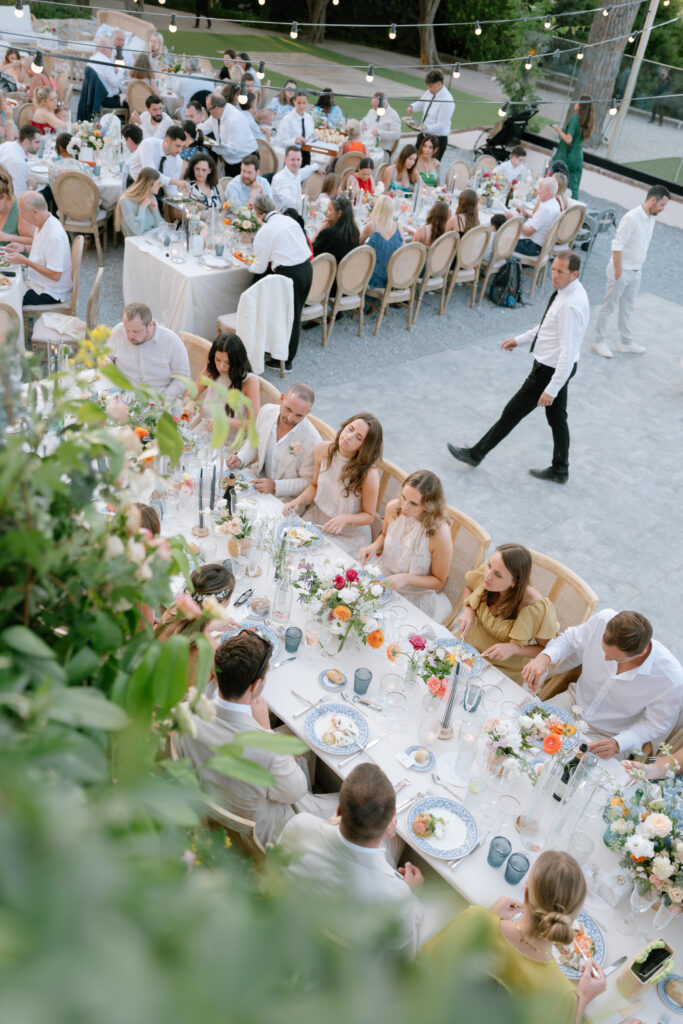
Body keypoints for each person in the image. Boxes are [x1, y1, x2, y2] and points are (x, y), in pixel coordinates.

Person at [180, 629, 337, 845]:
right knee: (347, 801)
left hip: (214, 802)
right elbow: (296, 791)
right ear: (255, 686)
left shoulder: (187, 712)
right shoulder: (267, 750)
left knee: (298, 749)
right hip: (267, 830)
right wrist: (267, 732)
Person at [447, 251, 588, 484]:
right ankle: (560, 469)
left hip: (549, 371)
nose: (554, 275)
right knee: (557, 420)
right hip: (555, 369)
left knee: (511, 413)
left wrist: (552, 388)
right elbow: (547, 326)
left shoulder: (571, 305)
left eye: (560, 272)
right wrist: (519, 339)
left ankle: (475, 454)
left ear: (574, 274)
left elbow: (568, 351)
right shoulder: (567, 293)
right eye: (553, 269)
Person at [427, 850, 606, 1024]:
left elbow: (428, 970)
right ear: (572, 920)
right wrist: (583, 998)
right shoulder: (562, 995)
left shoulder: (474, 920)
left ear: (526, 893)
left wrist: (488, 917)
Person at [279, 763, 424, 957]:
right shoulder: (396, 897)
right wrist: (411, 893)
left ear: (338, 811)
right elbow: (406, 958)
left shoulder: (299, 826)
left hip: (294, 931)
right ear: (391, 826)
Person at [522, 609, 683, 760]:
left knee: (570, 779)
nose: (605, 659)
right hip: (572, 702)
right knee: (522, 736)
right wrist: (544, 657)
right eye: (604, 650)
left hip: (608, 737)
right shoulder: (603, 620)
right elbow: (569, 639)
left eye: (615, 658)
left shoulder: (671, 679)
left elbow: (656, 725)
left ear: (641, 653)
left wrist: (619, 743)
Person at [283, 413, 383, 559]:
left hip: (349, 534)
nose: (349, 436)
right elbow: (315, 486)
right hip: (318, 520)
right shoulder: (323, 450)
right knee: (289, 551)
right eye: (350, 429)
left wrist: (345, 519)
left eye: (359, 437)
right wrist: (297, 502)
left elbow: (369, 516)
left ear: (364, 447)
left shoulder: (368, 474)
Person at [456, 544, 559, 685]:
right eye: (489, 565)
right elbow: (468, 587)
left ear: (515, 582)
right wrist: (469, 610)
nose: (488, 575)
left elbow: (546, 649)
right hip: (464, 647)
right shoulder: (487, 575)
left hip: (500, 669)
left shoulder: (536, 608)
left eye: (498, 575)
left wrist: (515, 648)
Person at [360, 470, 453, 622]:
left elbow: (439, 581)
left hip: (413, 598)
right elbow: (384, 535)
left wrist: (407, 578)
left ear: (429, 506)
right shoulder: (393, 508)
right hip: (381, 580)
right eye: (403, 497)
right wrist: (374, 546)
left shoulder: (439, 534)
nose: (404, 507)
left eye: (413, 504)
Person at [592, 184, 671, 359]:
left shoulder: (651, 218)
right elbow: (617, 245)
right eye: (662, 205)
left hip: (636, 272)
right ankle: (599, 340)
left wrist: (637, 270)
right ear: (653, 200)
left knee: (627, 308)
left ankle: (625, 342)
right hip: (621, 271)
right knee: (609, 306)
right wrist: (619, 273)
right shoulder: (632, 218)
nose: (663, 209)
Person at [249, 194, 313, 370]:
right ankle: (281, 353)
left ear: (257, 212)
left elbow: (260, 267)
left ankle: (285, 361)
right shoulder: (289, 221)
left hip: (290, 273)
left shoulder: (265, 231)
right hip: (307, 268)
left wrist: (248, 265)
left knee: (289, 316)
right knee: (295, 313)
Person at [226, 383, 320, 498]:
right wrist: (241, 458)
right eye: (288, 409)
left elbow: (307, 481)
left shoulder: (313, 441)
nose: (290, 418)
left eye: (298, 415)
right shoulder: (266, 411)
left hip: (285, 498)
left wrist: (275, 486)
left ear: (308, 412)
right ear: (281, 399)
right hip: (256, 477)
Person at [107, 302, 190, 400]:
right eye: (127, 330)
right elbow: (107, 358)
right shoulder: (118, 331)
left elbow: (183, 378)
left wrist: (165, 399)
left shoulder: (171, 341)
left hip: (158, 398)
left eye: (136, 331)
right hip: (122, 395)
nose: (129, 336)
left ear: (150, 325)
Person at [155, 563, 236, 664]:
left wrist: (209, 626)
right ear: (221, 603)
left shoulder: (172, 614)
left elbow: (186, 629)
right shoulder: (209, 648)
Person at [4, 192, 71, 305]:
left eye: (22, 212)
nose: (20, 215)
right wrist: (24, 248)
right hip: (36, 280)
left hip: (49, 292)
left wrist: (25, 261)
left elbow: (55, 275)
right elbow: (43, 251)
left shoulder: (54, 236)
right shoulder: (43, 222)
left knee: (7, 300)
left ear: (35, 212)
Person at [188, 332, 260, 434]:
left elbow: (254, 424)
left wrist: (226, 421)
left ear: (237, 361)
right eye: (218, 360)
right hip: (206, 433)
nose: (221, 367)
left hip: (231, 444)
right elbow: (190, 394)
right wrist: (189, 403)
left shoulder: (249, 381)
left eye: (228, 363)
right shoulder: (211, 370)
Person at [199, 92, 256, 176]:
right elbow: (203, 128)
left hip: (244, 161)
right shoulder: (216, 114)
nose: (208, 112)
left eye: (208, 109)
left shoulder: (234, 121)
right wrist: (191, 132)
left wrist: (211, 145)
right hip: (230, 160)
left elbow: (232, 149)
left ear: (217, 109)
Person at [406, 69, 455, 161]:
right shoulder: (430, 92)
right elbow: (421, 103)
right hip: (423, 135)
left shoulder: (447, 101)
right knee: (414, 162)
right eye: (428, 86)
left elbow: (441, 125)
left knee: (430, 169)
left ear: (439, 84)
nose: (428, 89)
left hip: (437, 139)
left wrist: (423, 127)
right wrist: (412, 107)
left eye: (431, 86)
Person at [551, 95, 593, 200]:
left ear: (581, 105)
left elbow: (568, 139)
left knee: (558, 182)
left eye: (577, 102)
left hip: (567, 155)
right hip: (577, 156)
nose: (575, 104)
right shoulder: (586, 121)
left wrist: (558, 130)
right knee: (573, 185)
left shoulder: (575, 119)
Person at [128, 125, 187, 199]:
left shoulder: (178, 160)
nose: (180, 150)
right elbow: (150, 174)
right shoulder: (148, 144)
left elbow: (171, 189)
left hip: (156, 189)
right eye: (178, 146)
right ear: (167, 140)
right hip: (136, 184)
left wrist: (180, 201)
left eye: (182, 146)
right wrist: (175, 182)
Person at [360, 194, 404, 291]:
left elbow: (358, 244)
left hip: (372, 276)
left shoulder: (371, 225)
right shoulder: (398, 226)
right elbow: (403, 250)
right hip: (392, 276)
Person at [511, 176, 562, 256]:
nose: (538, 191)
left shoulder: (547, 209)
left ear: (547, 190)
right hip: (535, 243)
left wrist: (513, 220)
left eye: (540, 188)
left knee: (501, 237)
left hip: (531, 246)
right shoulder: (554, 204)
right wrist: (526, 214)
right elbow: (542, 220)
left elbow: (528, 232)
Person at [115, 168, 164, 237]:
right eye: (159, 183)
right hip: (137, 243)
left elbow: (161, 225)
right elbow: (137, 231)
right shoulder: (125, 201)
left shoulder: (152, 197)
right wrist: (143, 206)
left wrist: (154, 211)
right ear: (150, 184)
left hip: (152, 238)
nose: (160, 186)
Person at [271, 145, 319, 215]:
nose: (296, 163)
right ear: (285, 160)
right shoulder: (279, 179)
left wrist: (316, 167)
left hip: (296, 214)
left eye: (298, 160)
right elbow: (289, 203)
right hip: (283, 216)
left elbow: (307, 170)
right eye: (292, 159)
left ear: (301, 160)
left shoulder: (297, 173)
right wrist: (305, 204)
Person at [312, 195, 359, 265]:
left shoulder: (329, 233)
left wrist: (319, 230)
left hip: (324, 273)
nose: (326, 211)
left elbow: (309, 252)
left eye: (329, 209)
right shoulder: (355, 232)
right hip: (345, 274)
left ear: (339, 213)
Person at [0, 125, 41, 198]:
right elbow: (19, 197)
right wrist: (31, 188)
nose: (39, 146)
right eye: (37, 142)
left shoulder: (7, 145)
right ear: (26, 141)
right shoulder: (18, 163)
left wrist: (27, 178)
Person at [278, 91, 318, 165]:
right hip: (292, 156)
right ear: (294, 102)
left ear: (307, 102)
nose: (302, 106)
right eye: (299, 103)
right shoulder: (287, 119)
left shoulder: (309, 118)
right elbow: (281, 142)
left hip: (306, 156)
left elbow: (311, 136)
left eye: (304, 103)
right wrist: (295, 140)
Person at [86, 36, 124, 108]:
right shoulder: (105, 62)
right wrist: (122, 67)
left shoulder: (93, 58)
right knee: (129, 104)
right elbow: (115, 84)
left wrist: (115, 69)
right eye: (111, 49)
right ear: (103, 49)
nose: (112, 51)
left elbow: (104, 75)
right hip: (107, 101)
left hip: (95, 98)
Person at [361, 92, 401, 159]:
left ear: (384, 104)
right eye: (372, 105)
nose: (373, 108)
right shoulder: (372, 111)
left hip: (382, 149)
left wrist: (379, 133)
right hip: (368, 145)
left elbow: (397, 134)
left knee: (365, 158)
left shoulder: (393, 115)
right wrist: (362, 124)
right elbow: (363, 121)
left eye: (376, 106)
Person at [0, 168, 30, 247]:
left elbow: (35, 241)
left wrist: (8, 237)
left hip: (16, 257)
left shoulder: (20, 210)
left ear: (6, 196)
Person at [121, 123, 143, 188]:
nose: (124, 142)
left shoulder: (128, 163)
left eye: (125, 140)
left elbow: (123, 188)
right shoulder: (148, 153)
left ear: (129, 140)